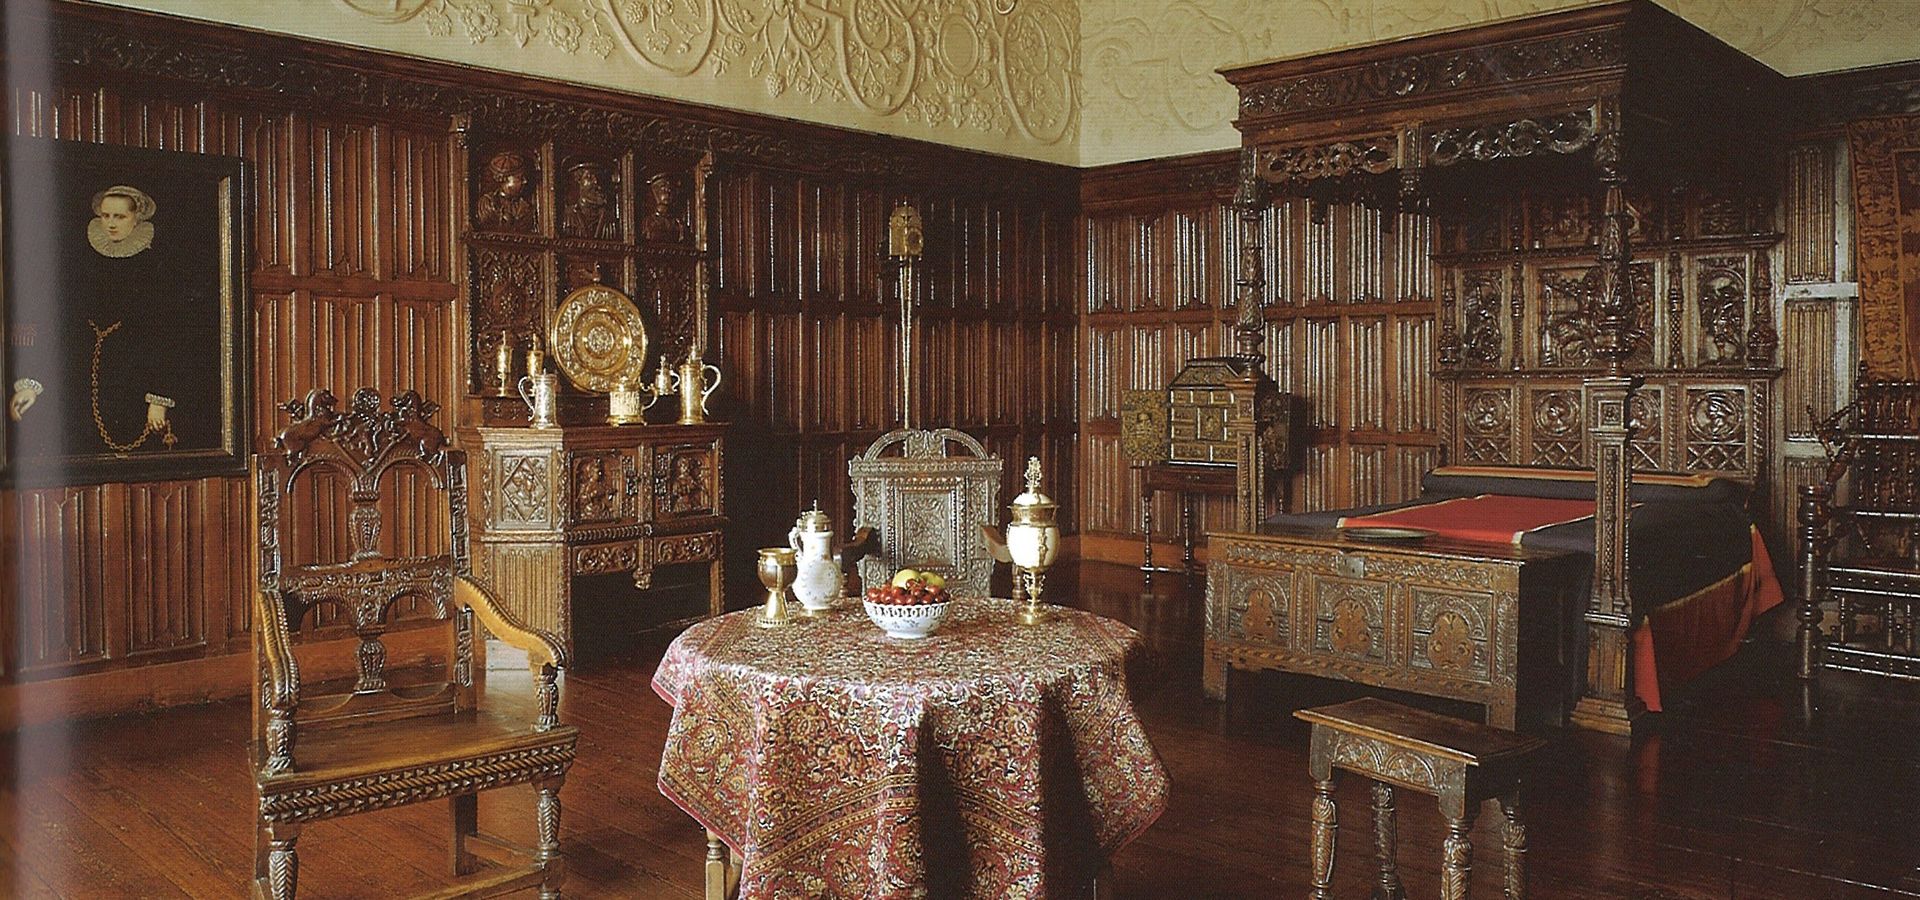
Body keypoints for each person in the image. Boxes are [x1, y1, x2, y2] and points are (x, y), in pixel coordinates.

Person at [476, 149, 535, 231]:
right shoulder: (487, 204)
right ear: (505, 180)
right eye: (519, 178)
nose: (525, 181)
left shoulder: (526, 208)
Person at [561, 161, 617, 240]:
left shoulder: (608, 219)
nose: (596, 182)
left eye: (599, 178)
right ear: (579, 181)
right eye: (589, 177)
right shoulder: (569, 216)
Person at [640, 173, 687, 243]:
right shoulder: (647, 222)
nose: (667, 194)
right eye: (663, 190)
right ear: (655, 192)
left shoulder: (678, 224)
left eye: (670, 190)